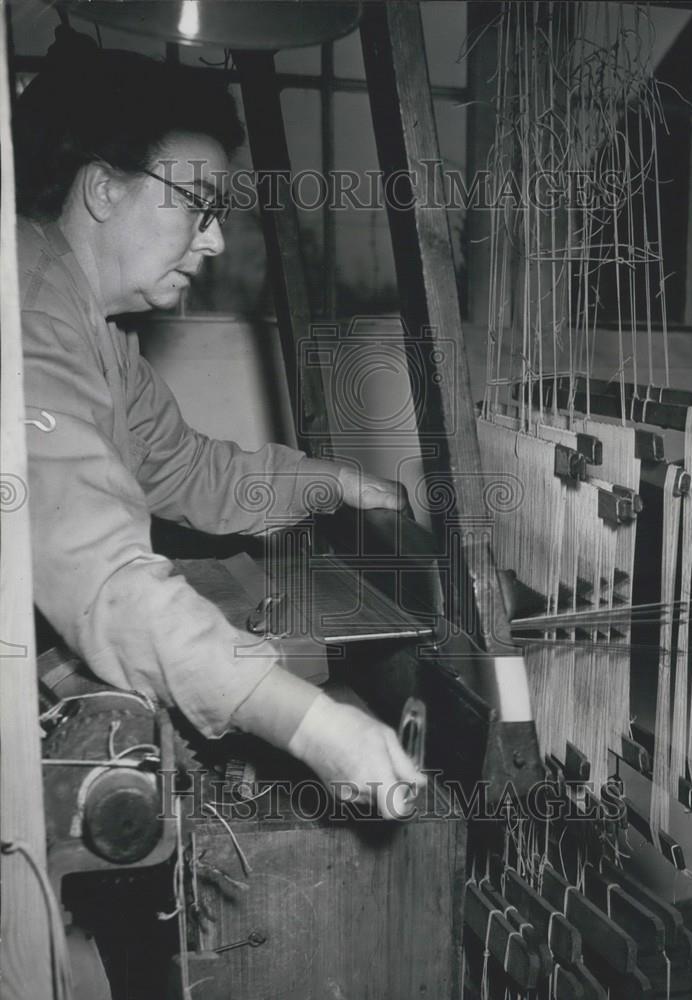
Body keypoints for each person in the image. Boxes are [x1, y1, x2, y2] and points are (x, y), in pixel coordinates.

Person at [14, 28, 424, 818]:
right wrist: (314, 727)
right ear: (104, 190)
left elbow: (182, 467)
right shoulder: (32, 319)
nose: (215, 240)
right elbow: (106, 584)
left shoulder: (91, 325)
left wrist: (333, 484)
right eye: (198, 208)